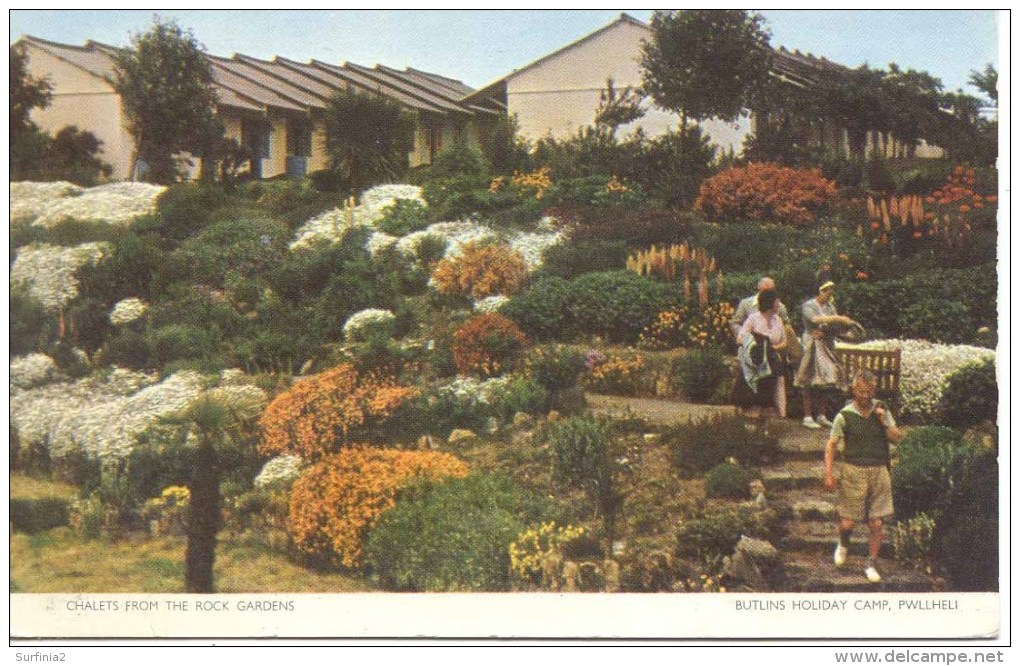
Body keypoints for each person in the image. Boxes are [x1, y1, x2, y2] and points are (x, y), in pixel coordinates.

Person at [824, 370, 902, 584]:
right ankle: (843, 543)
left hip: (879, 471)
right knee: (848, 523)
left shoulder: (882, 410)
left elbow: (897, 439)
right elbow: (831, 446)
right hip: (853, 471)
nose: (865, 395)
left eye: (869, 391)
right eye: (860, 390)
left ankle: (871, 562)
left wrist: (883, 421)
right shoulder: (844, 415)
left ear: (874, 390)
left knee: (876, 523)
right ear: (853, 391)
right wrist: (829, 473)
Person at [795, 281, 856, 429]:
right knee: (808, 379)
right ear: (819, 291)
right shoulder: (808, 305)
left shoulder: (830, 307)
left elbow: (834, 326)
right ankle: (807, 416)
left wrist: (831, 329)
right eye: (826, 290)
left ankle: (821, 415)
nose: (829, 293)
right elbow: (815, 319)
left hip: (826, 345)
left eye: (831, 291)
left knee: (826, 381)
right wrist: (838, 318)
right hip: (811, 344)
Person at [733, 289, 787, 419]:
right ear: (770, 303)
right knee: (754, 398)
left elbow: (784, 342)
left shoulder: (778, 320)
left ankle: (774, 416)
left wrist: (771, 348)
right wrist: (757, 346)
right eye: (777, 301)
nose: (779, 304)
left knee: (772, 392)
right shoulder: (753, 319)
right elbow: (739, 339)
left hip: (772, 362)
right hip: (756, 362)